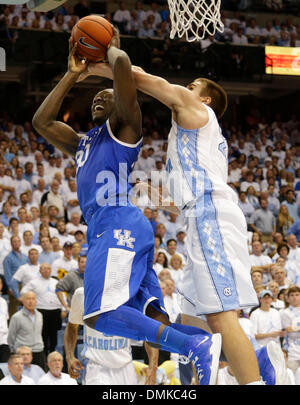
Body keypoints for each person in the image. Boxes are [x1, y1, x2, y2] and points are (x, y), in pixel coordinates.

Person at [78, 43, 293, 385]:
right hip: (199, 217)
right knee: (192, 319)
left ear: (204, 99)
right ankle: (258, 360)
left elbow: (142, 79)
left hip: (212, 216)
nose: (186, 89)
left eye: (193, 87)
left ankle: (255, 380)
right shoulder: (189, 139)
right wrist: (159, 196)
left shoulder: (196, 111)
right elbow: (181, 198)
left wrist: (97, 65)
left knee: (222, 317)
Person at [32, 31, 222, 385]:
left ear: (121, 103)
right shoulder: (82, 143)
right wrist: (73, 74)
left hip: (116, 220)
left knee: (100, 315)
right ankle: (238, 355)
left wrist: (110, 45)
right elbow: (41, 122)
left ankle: (197, 346)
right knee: (152, 317)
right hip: (123, 226)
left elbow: (121, 66)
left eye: (106, 95)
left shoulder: (126, 128)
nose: (97, 101)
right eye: (93, 100)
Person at [64, 287, 138, 385]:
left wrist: (153, 367)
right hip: (96, 366)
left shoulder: (130, 293)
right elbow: (72, 326)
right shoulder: (81, 294)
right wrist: (70, 357)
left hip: (125, 366)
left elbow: (150, 329)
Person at [20, 263, 63, 356]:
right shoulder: (34, 282)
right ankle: (43, 355)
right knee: (43, 334)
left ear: (51, 270)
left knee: (54, 335)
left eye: (48, 268)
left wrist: (63, 308)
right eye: (44, 269)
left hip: (55, 311)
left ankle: (52, 354)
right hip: (41, 311)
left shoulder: (56, 282)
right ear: (40, 270)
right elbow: (23, 291)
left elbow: (62, 296)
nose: (46, 270)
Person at [7, 291, 46, 370]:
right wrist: (15, 351)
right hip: (23, 353)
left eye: (33, 299)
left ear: (36, 301)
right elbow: (11, 336)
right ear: (23, 301)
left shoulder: (40, 315)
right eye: (28, 299)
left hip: (39, 351)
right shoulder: (16, 317)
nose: (31, 301)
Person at [280, 286, 300, 375]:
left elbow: (294, 329)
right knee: (293, 378)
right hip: (292, 352)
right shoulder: (285, 312)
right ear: (287, 298)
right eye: (292, 295)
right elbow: (290, 330)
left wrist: (296, 328)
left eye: (297, 295)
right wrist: (295, 329)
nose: (295, 297)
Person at [0, 276, 9, 363]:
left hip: (4, 341)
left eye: (0, 283)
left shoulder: (3, 302)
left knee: (4, 369)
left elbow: (5, 320)